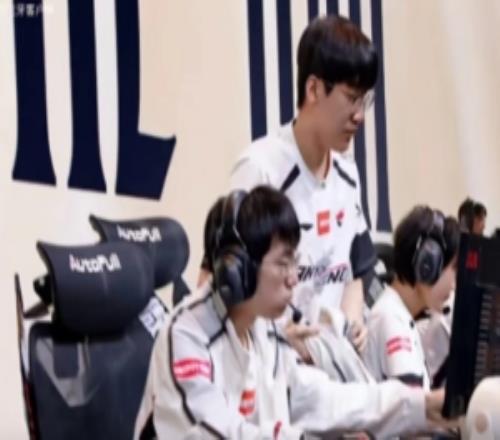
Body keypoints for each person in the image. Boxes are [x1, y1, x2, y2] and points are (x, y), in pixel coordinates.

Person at [135, 187, 452, 439]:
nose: (293, 278)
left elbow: (322, 398)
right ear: (238, 269)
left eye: (295, 262)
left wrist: (420, 405)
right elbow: (217, 431)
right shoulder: (187, 334)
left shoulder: (265, 330)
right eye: (283, 263)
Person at [229, 15, 378, 358]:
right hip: (272, 369)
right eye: (351, 98)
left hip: (330, 368)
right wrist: (280, 341)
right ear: (313, 89)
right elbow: (218, 290)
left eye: (365, 101)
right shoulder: (260, 169)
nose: (360, 115)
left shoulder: (348, 175)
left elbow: (353, 272)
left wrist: (352, 321)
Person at [363, 206, 460, 389]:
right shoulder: (392, 319)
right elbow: (413, 403)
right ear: (427, 265)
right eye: (454, 269)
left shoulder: (400, 314)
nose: (454, 285)